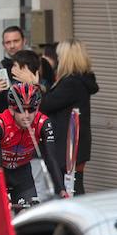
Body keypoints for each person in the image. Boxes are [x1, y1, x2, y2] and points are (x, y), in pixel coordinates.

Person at [0, 82, 67, 203]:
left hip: (21, 172)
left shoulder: (43, 123)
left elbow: (51, 158)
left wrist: (61, 189)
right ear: (11, 109)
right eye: (20, 110)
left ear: (37, 108)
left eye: (31, 109)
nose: (26, 115)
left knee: (29, 213)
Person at [39, 38, 98, 196]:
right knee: (73, 183)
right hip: (73, 143)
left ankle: (76, 217)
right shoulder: (78, 80)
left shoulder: (71, 83)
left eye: (58, 56)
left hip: (69, 145)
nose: (55, 59)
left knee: (71, 186)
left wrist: (33, 83)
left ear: (65, 58)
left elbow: (45, 104)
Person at [0, 26, 26, 126]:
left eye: (16, 41)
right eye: (8, 42)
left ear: (24, 41)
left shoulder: (36, 64)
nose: (12, 46)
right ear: (3, 45)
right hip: (7, 130)